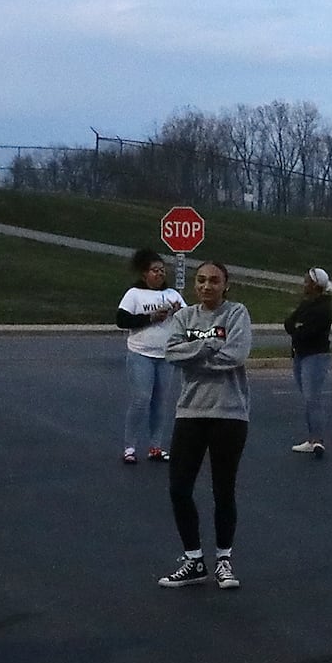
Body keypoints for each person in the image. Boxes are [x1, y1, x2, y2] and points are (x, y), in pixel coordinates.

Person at [156, 261, 252, 591]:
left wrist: (193, 354)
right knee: (179, 488)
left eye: (214, 281)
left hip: (229, 414)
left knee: (223, 490)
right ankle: (194, 560)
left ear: (226, 285)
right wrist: (208, 346)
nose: (206, 286)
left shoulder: (237, 313)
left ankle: (223, 560)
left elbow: (235, 356)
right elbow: (170, 353)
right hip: (190, 413)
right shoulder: (184, 317)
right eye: (201, 280)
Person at [115, 249, 184, 464]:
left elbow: (188, 318)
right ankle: (130, 447)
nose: (160, 274)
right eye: (155, 270)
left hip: (165, 356)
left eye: (162, 270)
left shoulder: (173, 294)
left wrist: (176, 312)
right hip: (141, 354)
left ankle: (156, 446)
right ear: (145, 274)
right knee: (141, 399)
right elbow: (122, 320)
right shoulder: (134, 294)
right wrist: (150, 317)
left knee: (160, 402)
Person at [283, 267, 332, 457]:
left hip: (315, 356)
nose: (304, 285)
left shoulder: (323, 307)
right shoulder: (306, 304)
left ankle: (317, 440)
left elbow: (307, 332)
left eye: (307, 282)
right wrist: (297, 328)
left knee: (313, 399)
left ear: (315, 285)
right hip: (300, 355)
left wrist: (298, 329)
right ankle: (312, 439)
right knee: (308, 398)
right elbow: (289, 323)